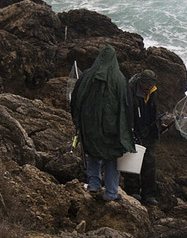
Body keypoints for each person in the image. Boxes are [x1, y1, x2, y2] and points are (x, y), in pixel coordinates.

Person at [69, 45, 134, 201]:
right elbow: (127, 107)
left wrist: (78, 123)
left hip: (89, 126)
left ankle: (93, 184)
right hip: (111, 129)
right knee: (111, 158)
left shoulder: (86, 76)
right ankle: (111, 192)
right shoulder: (120, 80)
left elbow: (75, 100)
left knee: (93, 153)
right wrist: (128, 129)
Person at [125, 69, 163, 206]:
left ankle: (149, 194)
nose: (148, 88)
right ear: (141, 82)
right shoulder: (130, 90)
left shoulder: (153, 91)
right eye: (146, 85)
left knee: (150, 163)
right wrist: (130, 128)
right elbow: (127, 111)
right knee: (132, 162)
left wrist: (158, 125)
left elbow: (154, 110)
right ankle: (133, 191)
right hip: (134, 131)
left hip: (149, 132)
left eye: (150, 85)